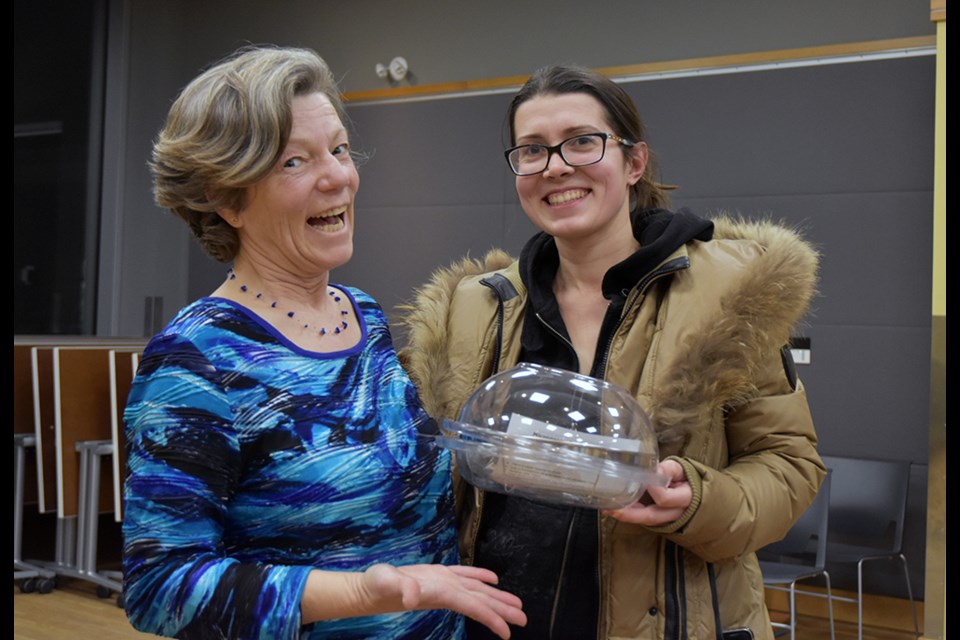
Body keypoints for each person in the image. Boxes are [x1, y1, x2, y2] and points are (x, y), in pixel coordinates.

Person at [402, 65, 825, 640]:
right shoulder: (473, 308)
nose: (556, 166)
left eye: (582, 142)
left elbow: (789, 468)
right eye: (532, 151)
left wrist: (696, 500)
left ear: (633, 162)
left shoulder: (730, 298)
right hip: (494, 624)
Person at [122, 46, 525, 640]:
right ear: (225, 196)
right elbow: (160, 588)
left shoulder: (361, 315)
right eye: (294, 162)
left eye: (338, 149)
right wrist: (359, 592)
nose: (339, 176)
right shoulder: (196, 359)